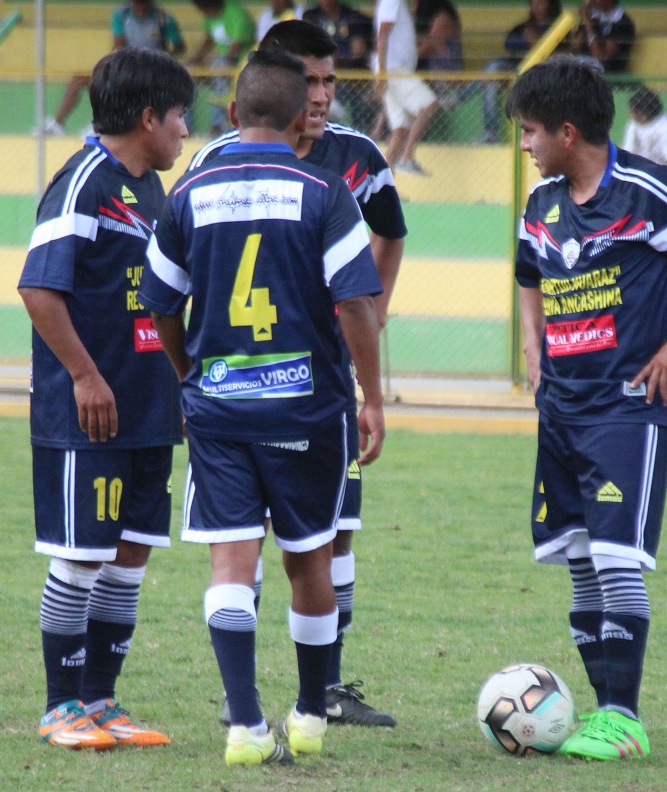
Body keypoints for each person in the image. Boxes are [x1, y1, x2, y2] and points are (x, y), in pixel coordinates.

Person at [138, 47, 386, 766]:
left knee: (231, 564)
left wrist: (190, 376)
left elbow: (160, 305)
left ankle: (245, 725)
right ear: (302, 115)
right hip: (307, 410)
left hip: (219, 408)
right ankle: (308, 715)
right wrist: (372, 397)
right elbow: (355, 305)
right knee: (309, 562)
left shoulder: (190, 191)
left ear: (233, 112)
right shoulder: (325, 191)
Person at [505, 55, 667, 761]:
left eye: (529, 131)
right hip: (562, 406)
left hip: (629, 405)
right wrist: (532, 341)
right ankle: (601, 713)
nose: (523, 145)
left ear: (566, 131)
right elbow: (527, 272)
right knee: (581, 560)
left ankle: (624, 716)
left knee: (617, 558)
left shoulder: (649, 191)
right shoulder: (542, 203)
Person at [187, 19, 406, 730]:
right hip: (263, 381)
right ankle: (246, 695)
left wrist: (372, 314)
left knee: (333, 534)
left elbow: (391, 232)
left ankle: (326, 689)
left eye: (330, 80)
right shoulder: (216, 160)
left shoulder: (358, 156)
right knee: (246, 541)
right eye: (308, 81)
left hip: (318, 380)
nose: (320, 95)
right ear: (276, 84)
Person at [18, 47, 195, 750]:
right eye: (180, 115)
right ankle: (60, 706)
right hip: (87, 413)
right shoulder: (82, 182)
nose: (185, 130)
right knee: (81, 555)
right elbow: (39, 287)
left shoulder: (151, 190)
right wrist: (86, 376)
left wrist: (181, 384)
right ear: (148, 117)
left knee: (130, 556)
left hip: (148, 407)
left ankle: (100, 700)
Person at [43, 0, 185, 136]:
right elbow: (118, 43)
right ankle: (58, 124)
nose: (139, 7)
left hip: (151, 72)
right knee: (82, 79)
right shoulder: (122, 15)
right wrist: (123, 61)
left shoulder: (162, 18)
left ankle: (102, 125)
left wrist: (161, 58)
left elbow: (179, 46)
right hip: (127, 66)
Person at [481, 0, 562, 143]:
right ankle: (491, 134)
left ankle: (458, 97)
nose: (537, 7)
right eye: (533, 3)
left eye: (541, 3)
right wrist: (527, 39)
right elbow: (509, 43)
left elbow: (564, 54)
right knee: (492, 72)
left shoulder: (559, 26)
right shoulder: (525, 26)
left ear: (550, 4)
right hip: (516, 70)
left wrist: (535, 41)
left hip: (543, 73)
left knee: (492, 74)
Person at [375, 0, 439, 174]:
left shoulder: (399, 5)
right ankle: (407, 157)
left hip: (393, 71)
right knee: (429, 104)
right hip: (395, 71)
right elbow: (383, 35)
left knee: (399, 129)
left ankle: (384, 184)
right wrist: (382, 73)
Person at [303, 0, 377, 130]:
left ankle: (357, 129)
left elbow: (358, 49)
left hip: (351, 76)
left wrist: (339, 59)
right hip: (321, 74)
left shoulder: (352, 16)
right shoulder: (311, 16)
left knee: (358, 99)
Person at [189, 0, 257, 136]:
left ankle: (218, 125)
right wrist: (197, 59)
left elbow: (235, 51)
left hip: (242, 64)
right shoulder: (209, 17)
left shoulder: (236, 14)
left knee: (220, 66)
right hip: (219, 64)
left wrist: (210, 65)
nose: (204, 12)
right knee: (187, 71)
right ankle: (186, 126)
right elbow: (209, 39)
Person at [414, 0, 464, 111]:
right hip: (429, 77)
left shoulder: (443, 17)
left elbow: (429, 46)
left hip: (446, 81)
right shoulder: (423, 21)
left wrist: (404, 60)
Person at [622, 86, 667, 170]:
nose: (630, 113)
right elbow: (628, 153)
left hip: (663, 174)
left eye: (632, 110)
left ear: (642, 112)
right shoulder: (633, 125)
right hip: (641, 173)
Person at [568, 0, 635, 74]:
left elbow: (600, 56)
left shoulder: (623, 23)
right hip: (584, 65)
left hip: (607, 73)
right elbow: (575, 48)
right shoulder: (593, 17)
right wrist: (583, 18)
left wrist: (589, 25)